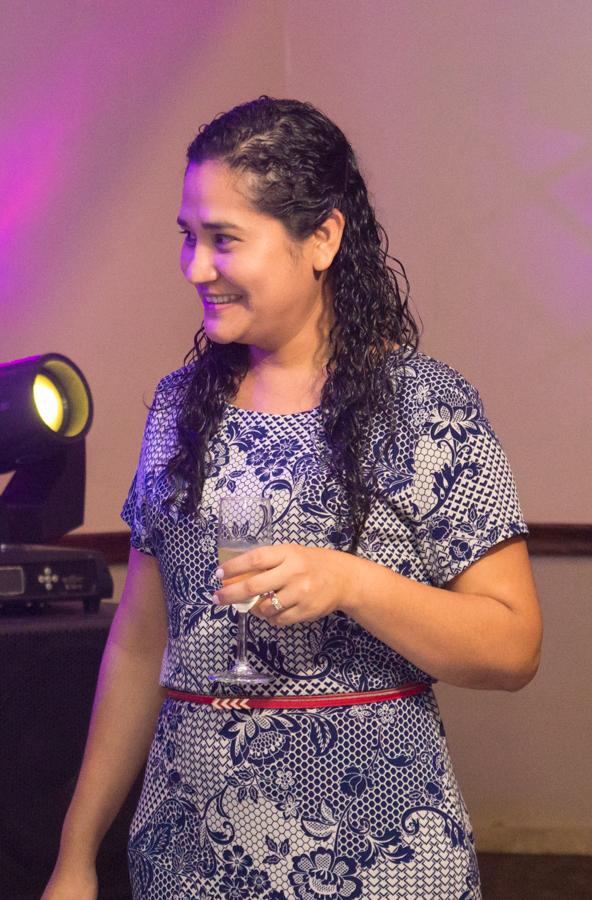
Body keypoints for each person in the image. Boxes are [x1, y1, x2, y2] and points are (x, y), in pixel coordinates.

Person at [42, 97, 542, 900]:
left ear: (322, 238)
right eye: (188, 236)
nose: (195, 267)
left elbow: (513, 649)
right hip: (189, 855)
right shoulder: (178, 408)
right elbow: (139, 646)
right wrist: (76, 853)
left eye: (224, 239)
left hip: (379, 855)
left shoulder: (424, 407)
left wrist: (352, 583)